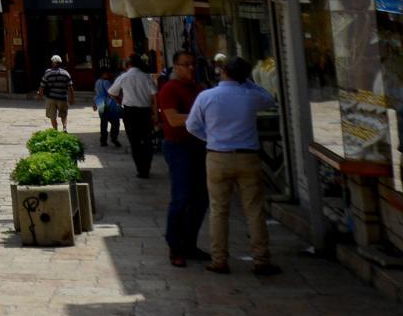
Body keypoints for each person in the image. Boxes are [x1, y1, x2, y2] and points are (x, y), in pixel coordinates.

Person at [188, 55, 279, 275]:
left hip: (218, 156)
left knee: (219, 209)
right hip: (248, 157)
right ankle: (261, 259)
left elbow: (191, 126)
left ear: (223, 71)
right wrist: (246, 81)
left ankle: (219, 259)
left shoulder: (206, 96)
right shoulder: (249, 96)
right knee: (254, 209)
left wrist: (211, 138)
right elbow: (269, 98)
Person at [155, 48, 209, 267]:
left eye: (192, 64)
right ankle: (175, 246)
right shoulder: (170, 89)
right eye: (185, 64)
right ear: (175, 67)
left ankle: (190, 243)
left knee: (201, 199)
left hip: (199, 146)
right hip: (178, 147)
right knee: (181, 196)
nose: (190, 68)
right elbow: (173, 119)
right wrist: (202, 117)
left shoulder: (199, 89)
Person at [110, 54, 161, 179]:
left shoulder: (124, 77)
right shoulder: (146, 77)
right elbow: (155, 94)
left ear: (128, 65)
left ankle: (140, 169)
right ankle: (146, 167)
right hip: (145, 111)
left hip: (130, 112)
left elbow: (112, 92)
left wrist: (119, 100)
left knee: (134, 141)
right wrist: (155, 113)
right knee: (147, 139)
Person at [37, 54, 73, 129]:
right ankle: (65, 127)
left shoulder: (48, 73)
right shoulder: (65, 73)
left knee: (52, 116)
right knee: (64, 114)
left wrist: (40, 95)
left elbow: (42, 85)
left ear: (53, 62)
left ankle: (55, 130)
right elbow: (70, 87)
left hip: (51, 98)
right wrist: (71, 98)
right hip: (62, 97)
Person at [92, 64, 120, 148]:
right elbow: (111, 93)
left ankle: (103, 140)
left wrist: (94, 103)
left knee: (103, 122)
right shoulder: (107, 82)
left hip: (100, 102)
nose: (108, 75)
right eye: (107, 73)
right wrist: (117, 101)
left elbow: (96, 93)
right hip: (108, 103)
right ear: (103, 74)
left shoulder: (97, 82)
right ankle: (113, 138)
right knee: (115, 122)